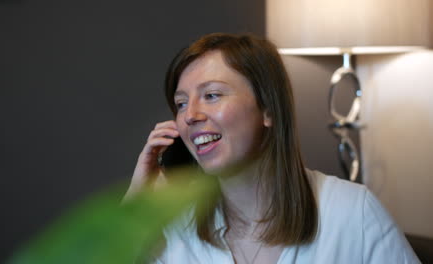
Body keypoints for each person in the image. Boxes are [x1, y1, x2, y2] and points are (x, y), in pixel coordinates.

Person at [125, 33, 419, 264]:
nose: (190, 115)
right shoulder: (175, 227)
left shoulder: (353, 213)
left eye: (211, 95)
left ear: (268, 109)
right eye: (181, 103)